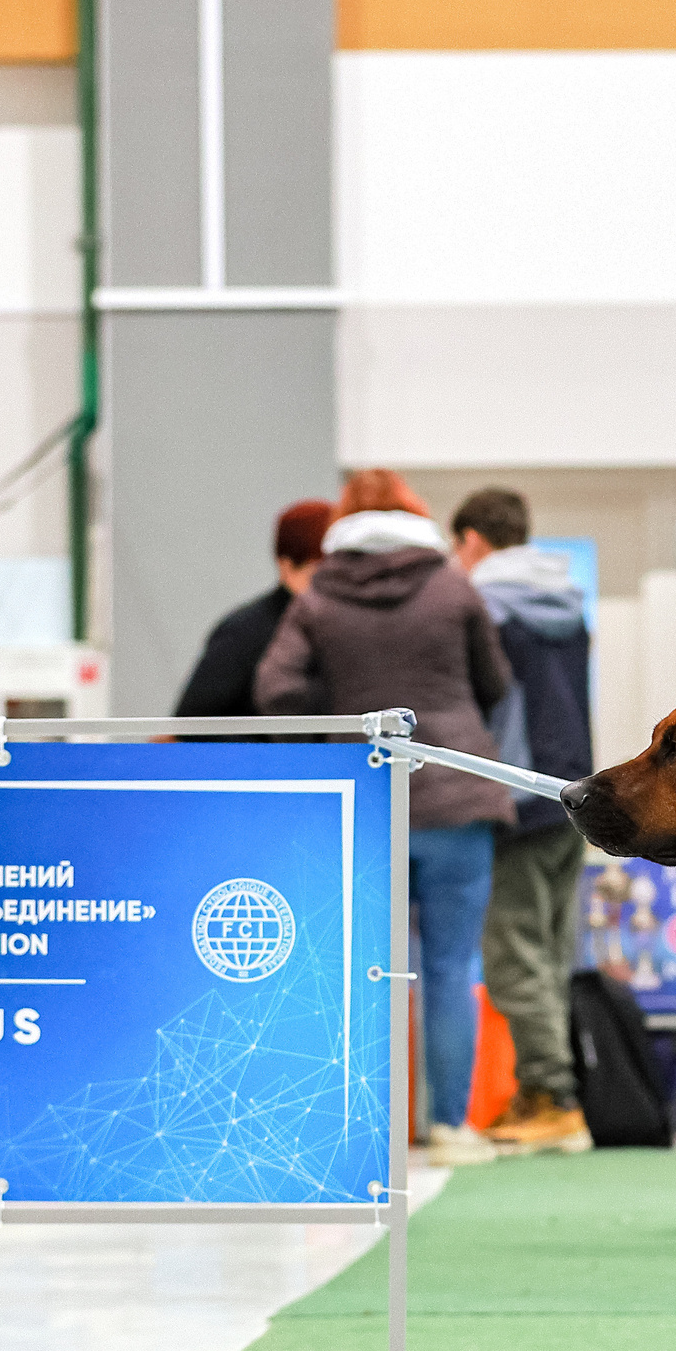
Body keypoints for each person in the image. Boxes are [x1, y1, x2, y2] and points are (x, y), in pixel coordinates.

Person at [255, 469, 512, 1166]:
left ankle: (367, 1133)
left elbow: (275, 687)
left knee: (368, 969)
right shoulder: (452, 587)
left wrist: (329, 752)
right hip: (456, 794)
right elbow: (496, 682)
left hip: (365, 801)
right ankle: (453, 1129)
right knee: (451, 965)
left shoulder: (318, 598)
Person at [449, 487, 595, 1156]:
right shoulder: (568, 601)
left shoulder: (486, 609)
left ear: (474, 540)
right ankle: (550, 1093)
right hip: (577, 790)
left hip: (515, 791)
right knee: (552, 955)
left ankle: (554, 1098)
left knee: (512, 958)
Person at [172, 501, 331, 723]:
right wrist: (265, 747)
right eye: (319, 572)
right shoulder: (243, 632)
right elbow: (194, 720)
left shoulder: (342, 626)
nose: (332, 582)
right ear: (286, 567)